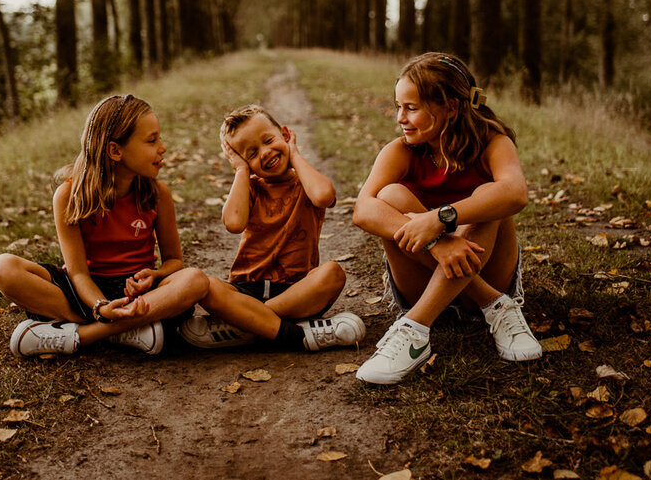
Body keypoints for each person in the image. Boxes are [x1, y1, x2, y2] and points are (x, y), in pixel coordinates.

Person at [352, 53, 541, 384]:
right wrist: (438, 243)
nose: (400, 118)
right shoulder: (400, 151)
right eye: (398, 106)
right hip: (420, 280)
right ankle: (496, 306)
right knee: (389, 197)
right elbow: (362, 211)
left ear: (451, 107)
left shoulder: (492, 143)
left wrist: (441, 219)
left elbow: (515, 194)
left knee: (489, 196)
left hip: (489, 265)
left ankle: (416, 328)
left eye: (411, 108)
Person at [0, 94, 209, 357]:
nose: (162, 147)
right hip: (83, 292)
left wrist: (156, 275)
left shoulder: (157, 194)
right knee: (2, 268)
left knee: (195, 281)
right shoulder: (69, 195)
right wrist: (100, 307)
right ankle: (124, 330)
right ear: (115, 150)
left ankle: (81, 335)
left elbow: (174, 262)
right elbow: (78, 273)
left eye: (159, 138)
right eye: (152, 140)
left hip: (138, 295)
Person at [178, 104, 365, 351]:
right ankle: (288, 330)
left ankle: (246, 324)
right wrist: (241, 171)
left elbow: (323, 196)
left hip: (295, 292)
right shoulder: (252, 188)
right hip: (246, 289)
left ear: (285, 135)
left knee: (332, 273)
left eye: (268, 141)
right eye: (252, 153)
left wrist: (294, 154)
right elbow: (233, 223)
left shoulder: (306, 184)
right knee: (207, 285)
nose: (265, 153)